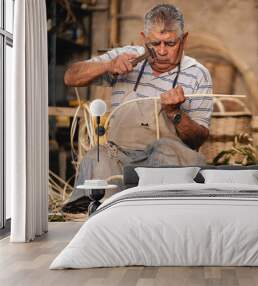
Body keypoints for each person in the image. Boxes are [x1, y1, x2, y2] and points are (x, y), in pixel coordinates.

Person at [63, 4, 213, 209]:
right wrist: (107, 65)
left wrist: (175, 113)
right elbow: (71, 77)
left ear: (183, 39)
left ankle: (162, 212)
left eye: (170, 43)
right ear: (143, 38)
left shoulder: (197, 74)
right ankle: (102, 214)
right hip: (121, 156)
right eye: (154, 43)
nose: (161, 51)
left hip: (167, 158)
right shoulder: (126, 58)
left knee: (165, 150)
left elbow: (198, 138)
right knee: (97, 157)